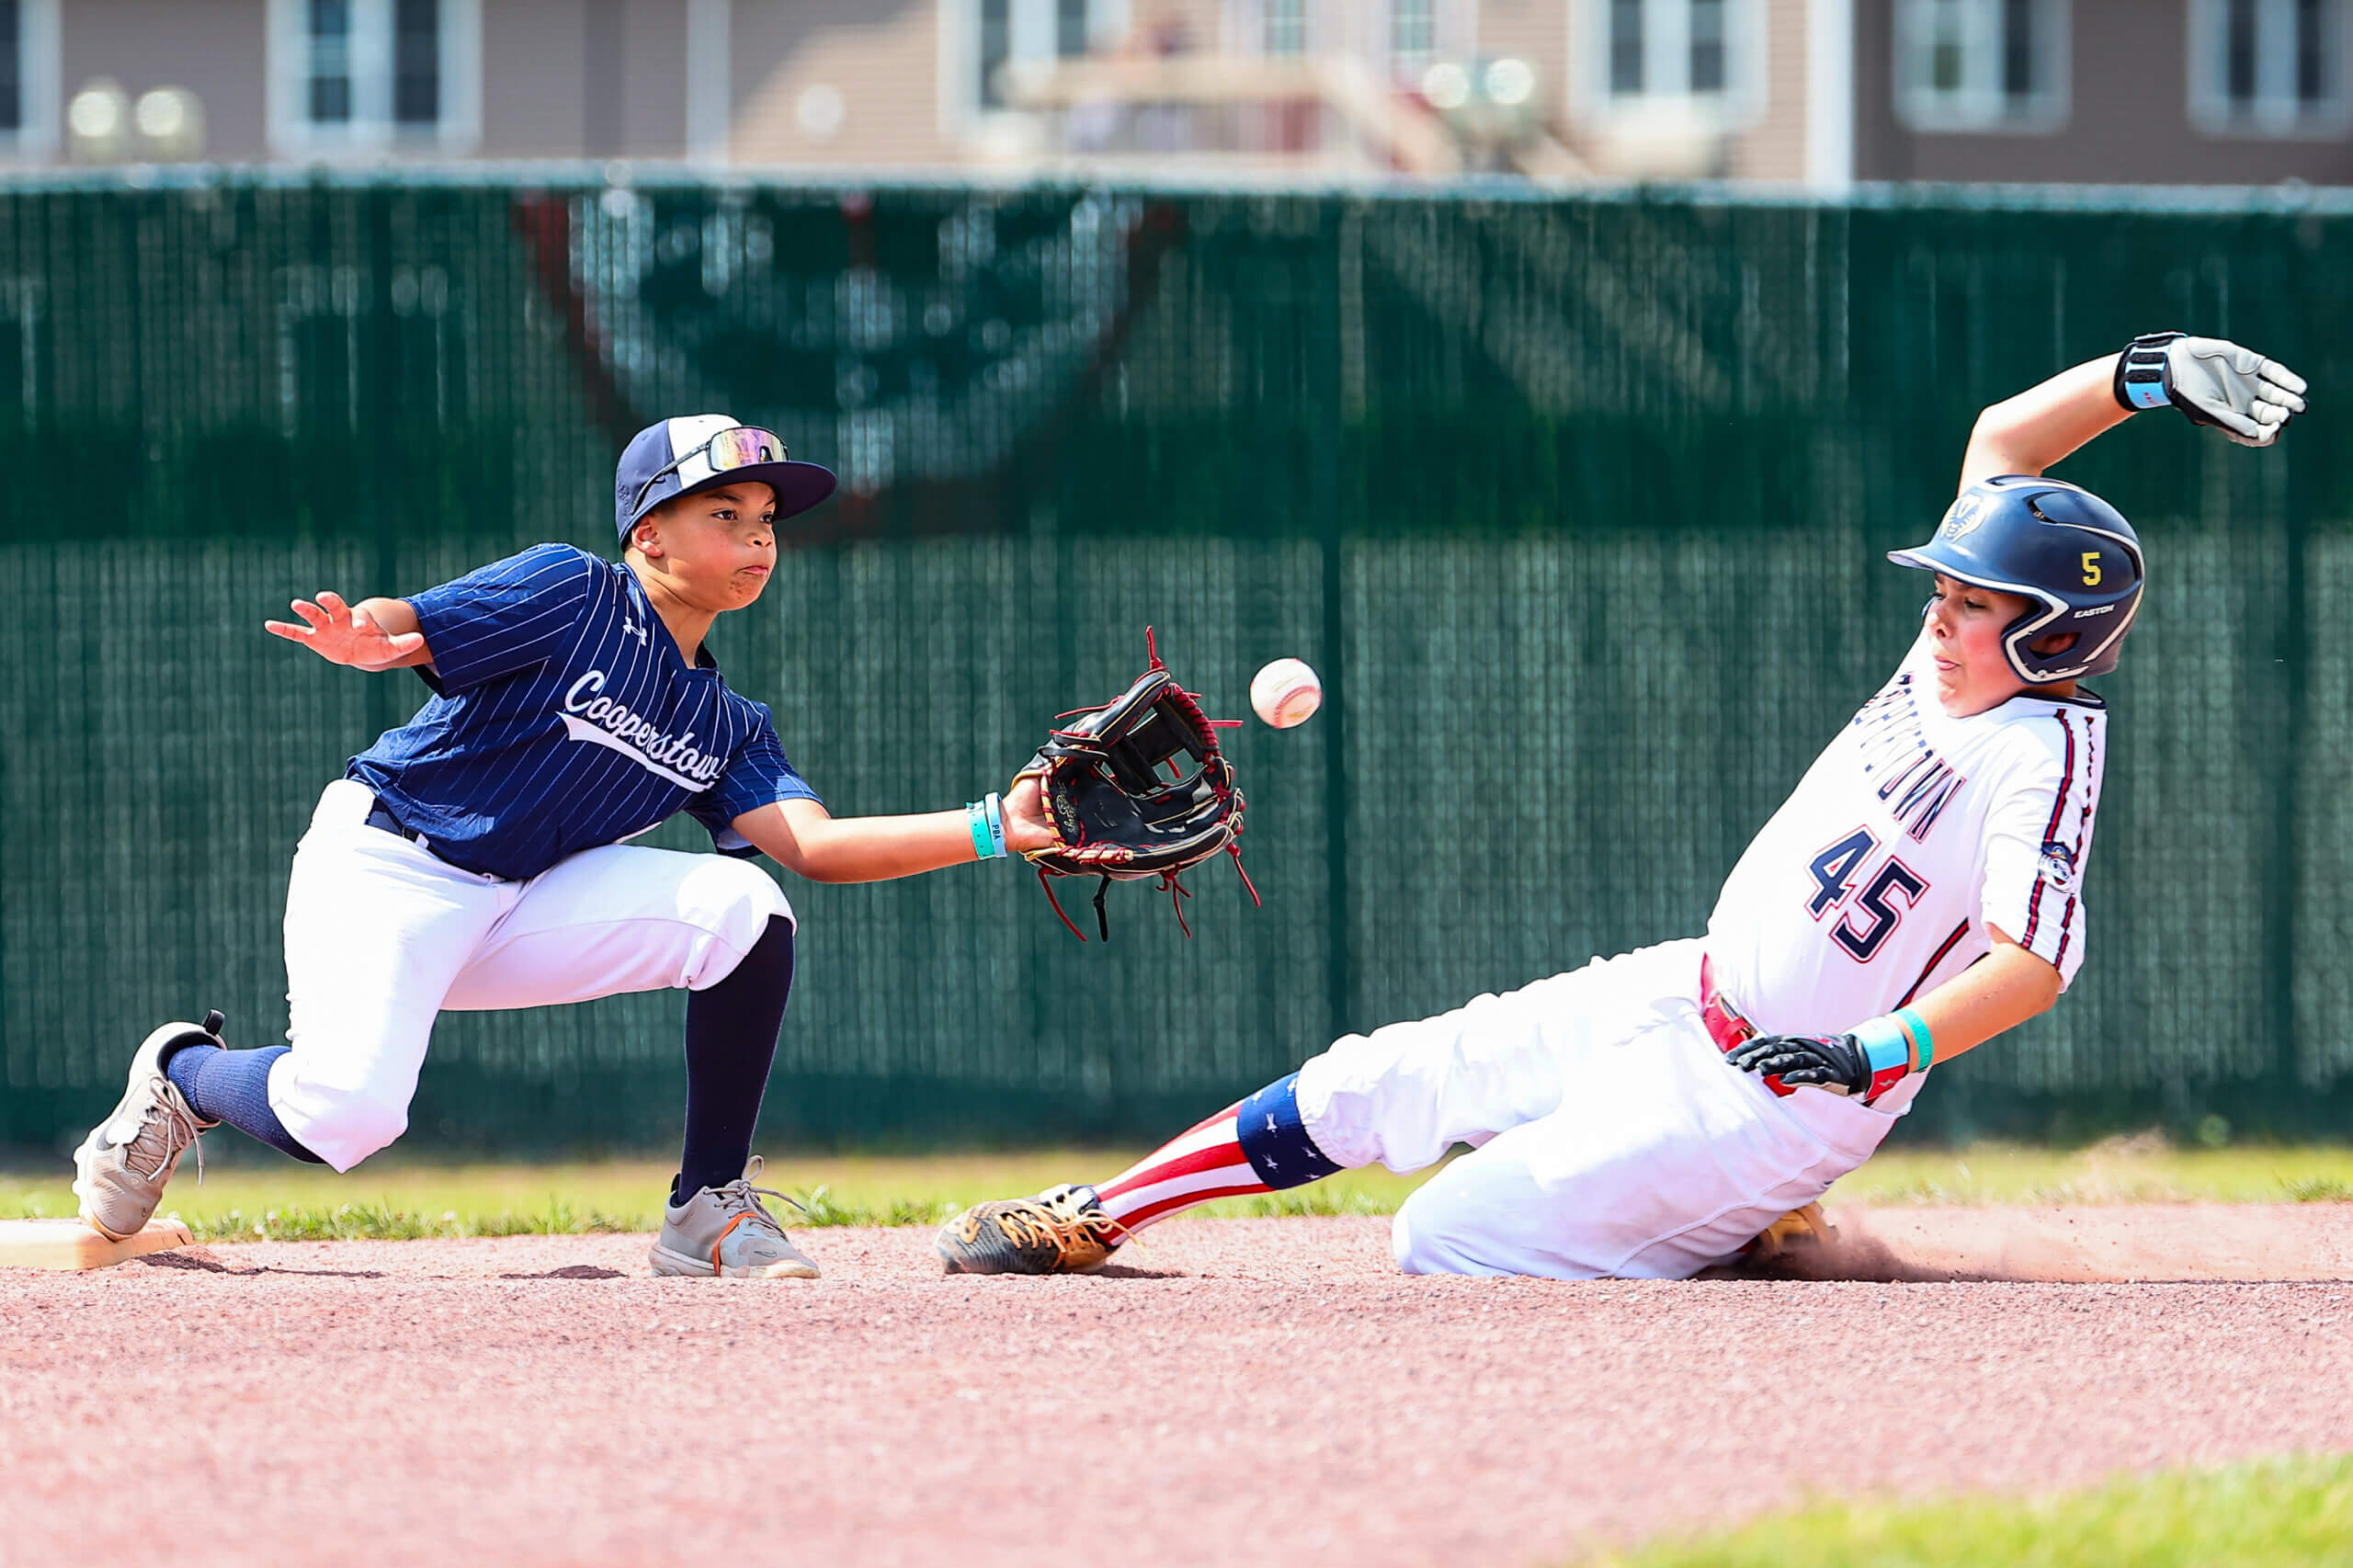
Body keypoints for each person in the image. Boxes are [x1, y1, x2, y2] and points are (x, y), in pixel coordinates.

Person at [935, 332, 2310, 1279]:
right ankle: (1098, 1213)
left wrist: (1882, 1048)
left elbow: (2037, 960)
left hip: (1785, 1097)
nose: (1940, 613)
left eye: (1972, 601)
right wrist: (2147, 376)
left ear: (2058, 637)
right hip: (1687, 987)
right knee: (1383, 1073)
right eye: (1943, 592)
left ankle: (1734, 1226)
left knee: (1443, 1236)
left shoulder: (2042, 748)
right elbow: (2003, 436)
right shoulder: (1946, 656)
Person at [72, 415, 1051, 1278]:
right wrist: (368, 634)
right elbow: (408, 622)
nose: (757, 533)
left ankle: (705, 1205)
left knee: (744, 909)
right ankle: (187, 1072)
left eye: (765, 517)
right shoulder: (572, 591)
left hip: (525, 900)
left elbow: (819, 846)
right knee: (348, 1116)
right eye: (724, 510)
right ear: (647, 531)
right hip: (390, 864)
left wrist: (993, 824)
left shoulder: (727, 721)